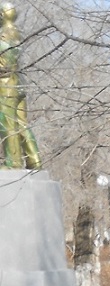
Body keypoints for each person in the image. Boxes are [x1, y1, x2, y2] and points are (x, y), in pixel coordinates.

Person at [0, 2, 41, 170]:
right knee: (22, 124)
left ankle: (13, 163)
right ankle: (34, 160)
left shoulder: (4, 34)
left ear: (2, 15)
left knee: (7, 123)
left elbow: (5, 64)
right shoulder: (16, 32)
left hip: (6, 85)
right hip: (18, 83)